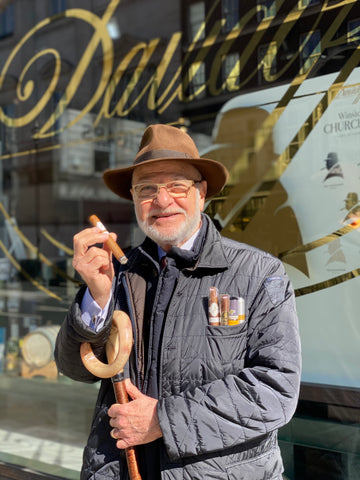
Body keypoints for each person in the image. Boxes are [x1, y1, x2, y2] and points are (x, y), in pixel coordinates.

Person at [55, 124, 301, 480]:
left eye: (176, 186)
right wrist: (97, 297)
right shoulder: (119, 273)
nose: (162, 200)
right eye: (147, 189)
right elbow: (76, 369)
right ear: (135, 200)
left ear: (201, 193)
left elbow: (275, 389)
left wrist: (161, 420)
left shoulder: (259, 273)